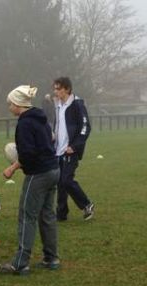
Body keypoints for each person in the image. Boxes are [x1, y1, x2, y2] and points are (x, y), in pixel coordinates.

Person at [0, 85, 60, 275]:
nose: (9, 107)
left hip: (38, 174)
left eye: (10, 104)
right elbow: (51, 137)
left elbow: (27, 154)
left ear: (18, 104)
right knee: (47, 215)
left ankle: (20, 263)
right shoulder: (41, 118)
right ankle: (52, 258)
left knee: (27, 216)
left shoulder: (25, 123)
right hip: (53, 169)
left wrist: (12, 168)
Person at [53, 76, 94, 221]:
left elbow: (85, 127)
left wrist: (74, 146)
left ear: (67, 89)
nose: (55, 91)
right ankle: (61, 213)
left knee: (66, 180)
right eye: (55, 88)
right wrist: (54, 136)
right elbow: (58, 125)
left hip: (71, 150)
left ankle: (87, 204)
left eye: (58, 88)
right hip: (58, 150)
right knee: (60, 183)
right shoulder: (58, 105)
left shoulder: (77, 104)